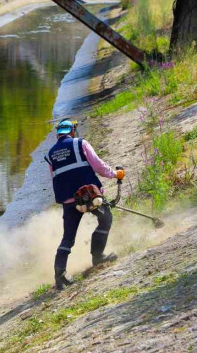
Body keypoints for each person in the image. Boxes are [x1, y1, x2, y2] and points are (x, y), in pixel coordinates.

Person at [44, 118, 125, 290]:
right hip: (89, 194)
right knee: (106, 218)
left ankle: (60, 276)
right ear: (72, 131)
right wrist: (116, 174)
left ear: (58, 134)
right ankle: (98, 257)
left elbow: (55, 179)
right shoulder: (80, 143)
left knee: (68, 237)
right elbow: (99, 167)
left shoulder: (50, 154)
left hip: (69, 200)